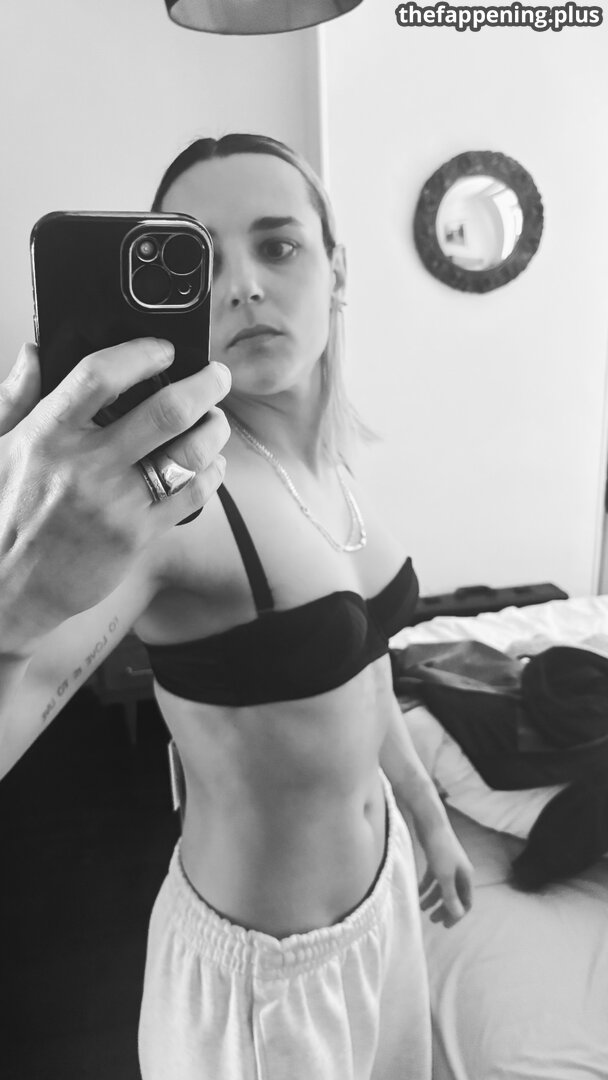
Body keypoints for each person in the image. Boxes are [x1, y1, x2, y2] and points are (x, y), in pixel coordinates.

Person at [0, 134, 474, 1080]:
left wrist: (428, 820)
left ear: (337, 269)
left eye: (279, 245)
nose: (245, 286)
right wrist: (10, 602)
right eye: (204, 261)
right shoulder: (173, 501)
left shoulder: (328, 464)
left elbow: (364, 664)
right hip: (267, 988)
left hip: (384, 906)